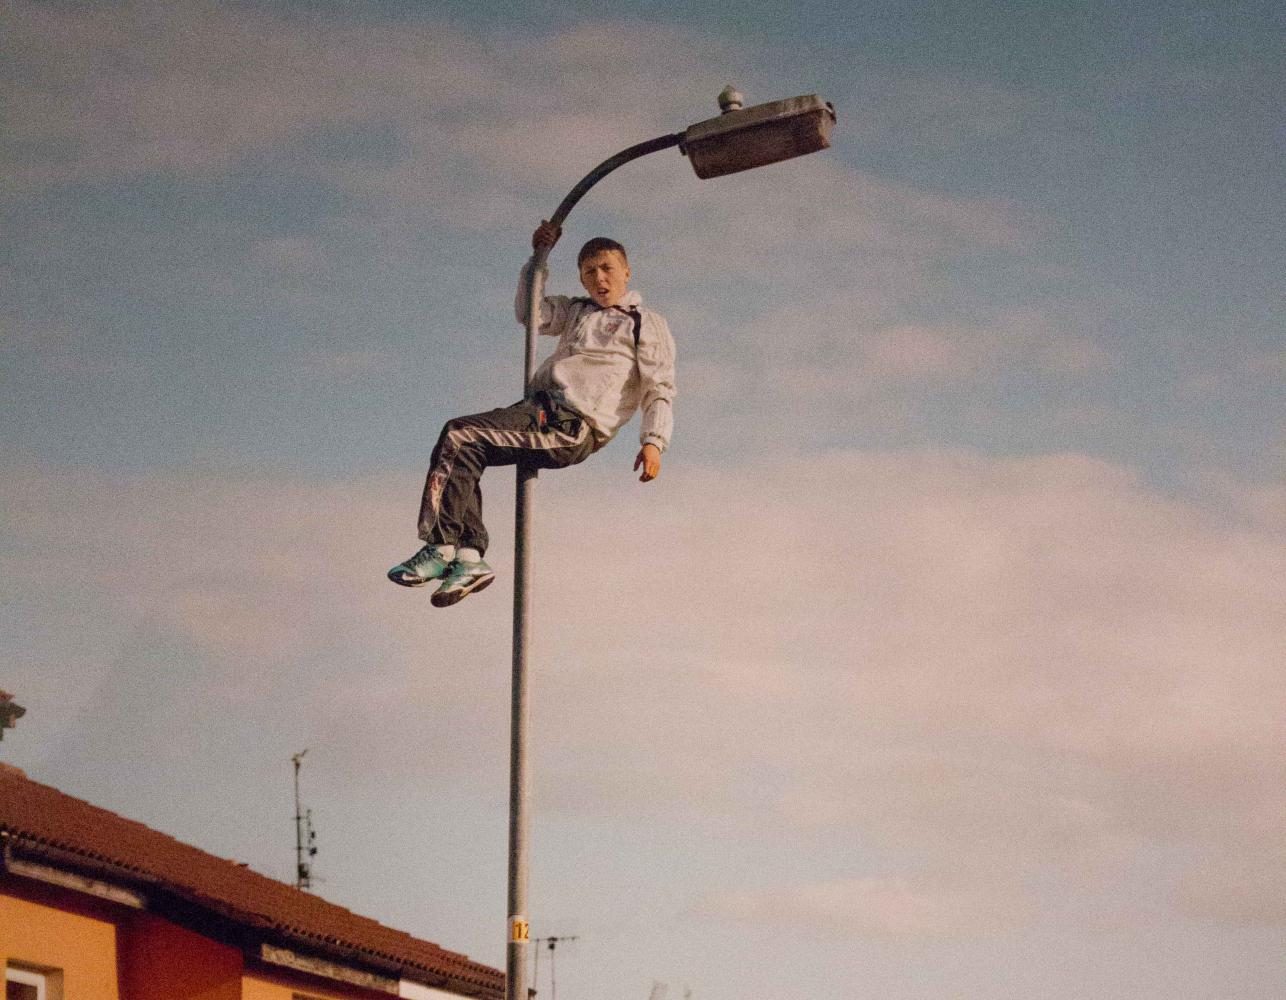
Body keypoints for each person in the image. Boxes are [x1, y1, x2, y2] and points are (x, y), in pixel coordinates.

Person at [388, 221, 677, 607]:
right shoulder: (576, 310)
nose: (599, 278)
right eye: (589, 272)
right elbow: (531, 315)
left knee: (461, 435)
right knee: (463, 447)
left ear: (626, 271)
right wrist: (537, 259)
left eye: (607, 268)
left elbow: (660, 386)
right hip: (538, 410)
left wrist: (654, 442)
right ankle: (469, 558)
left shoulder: (644, 322)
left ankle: (441, 545)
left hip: (574, 422)